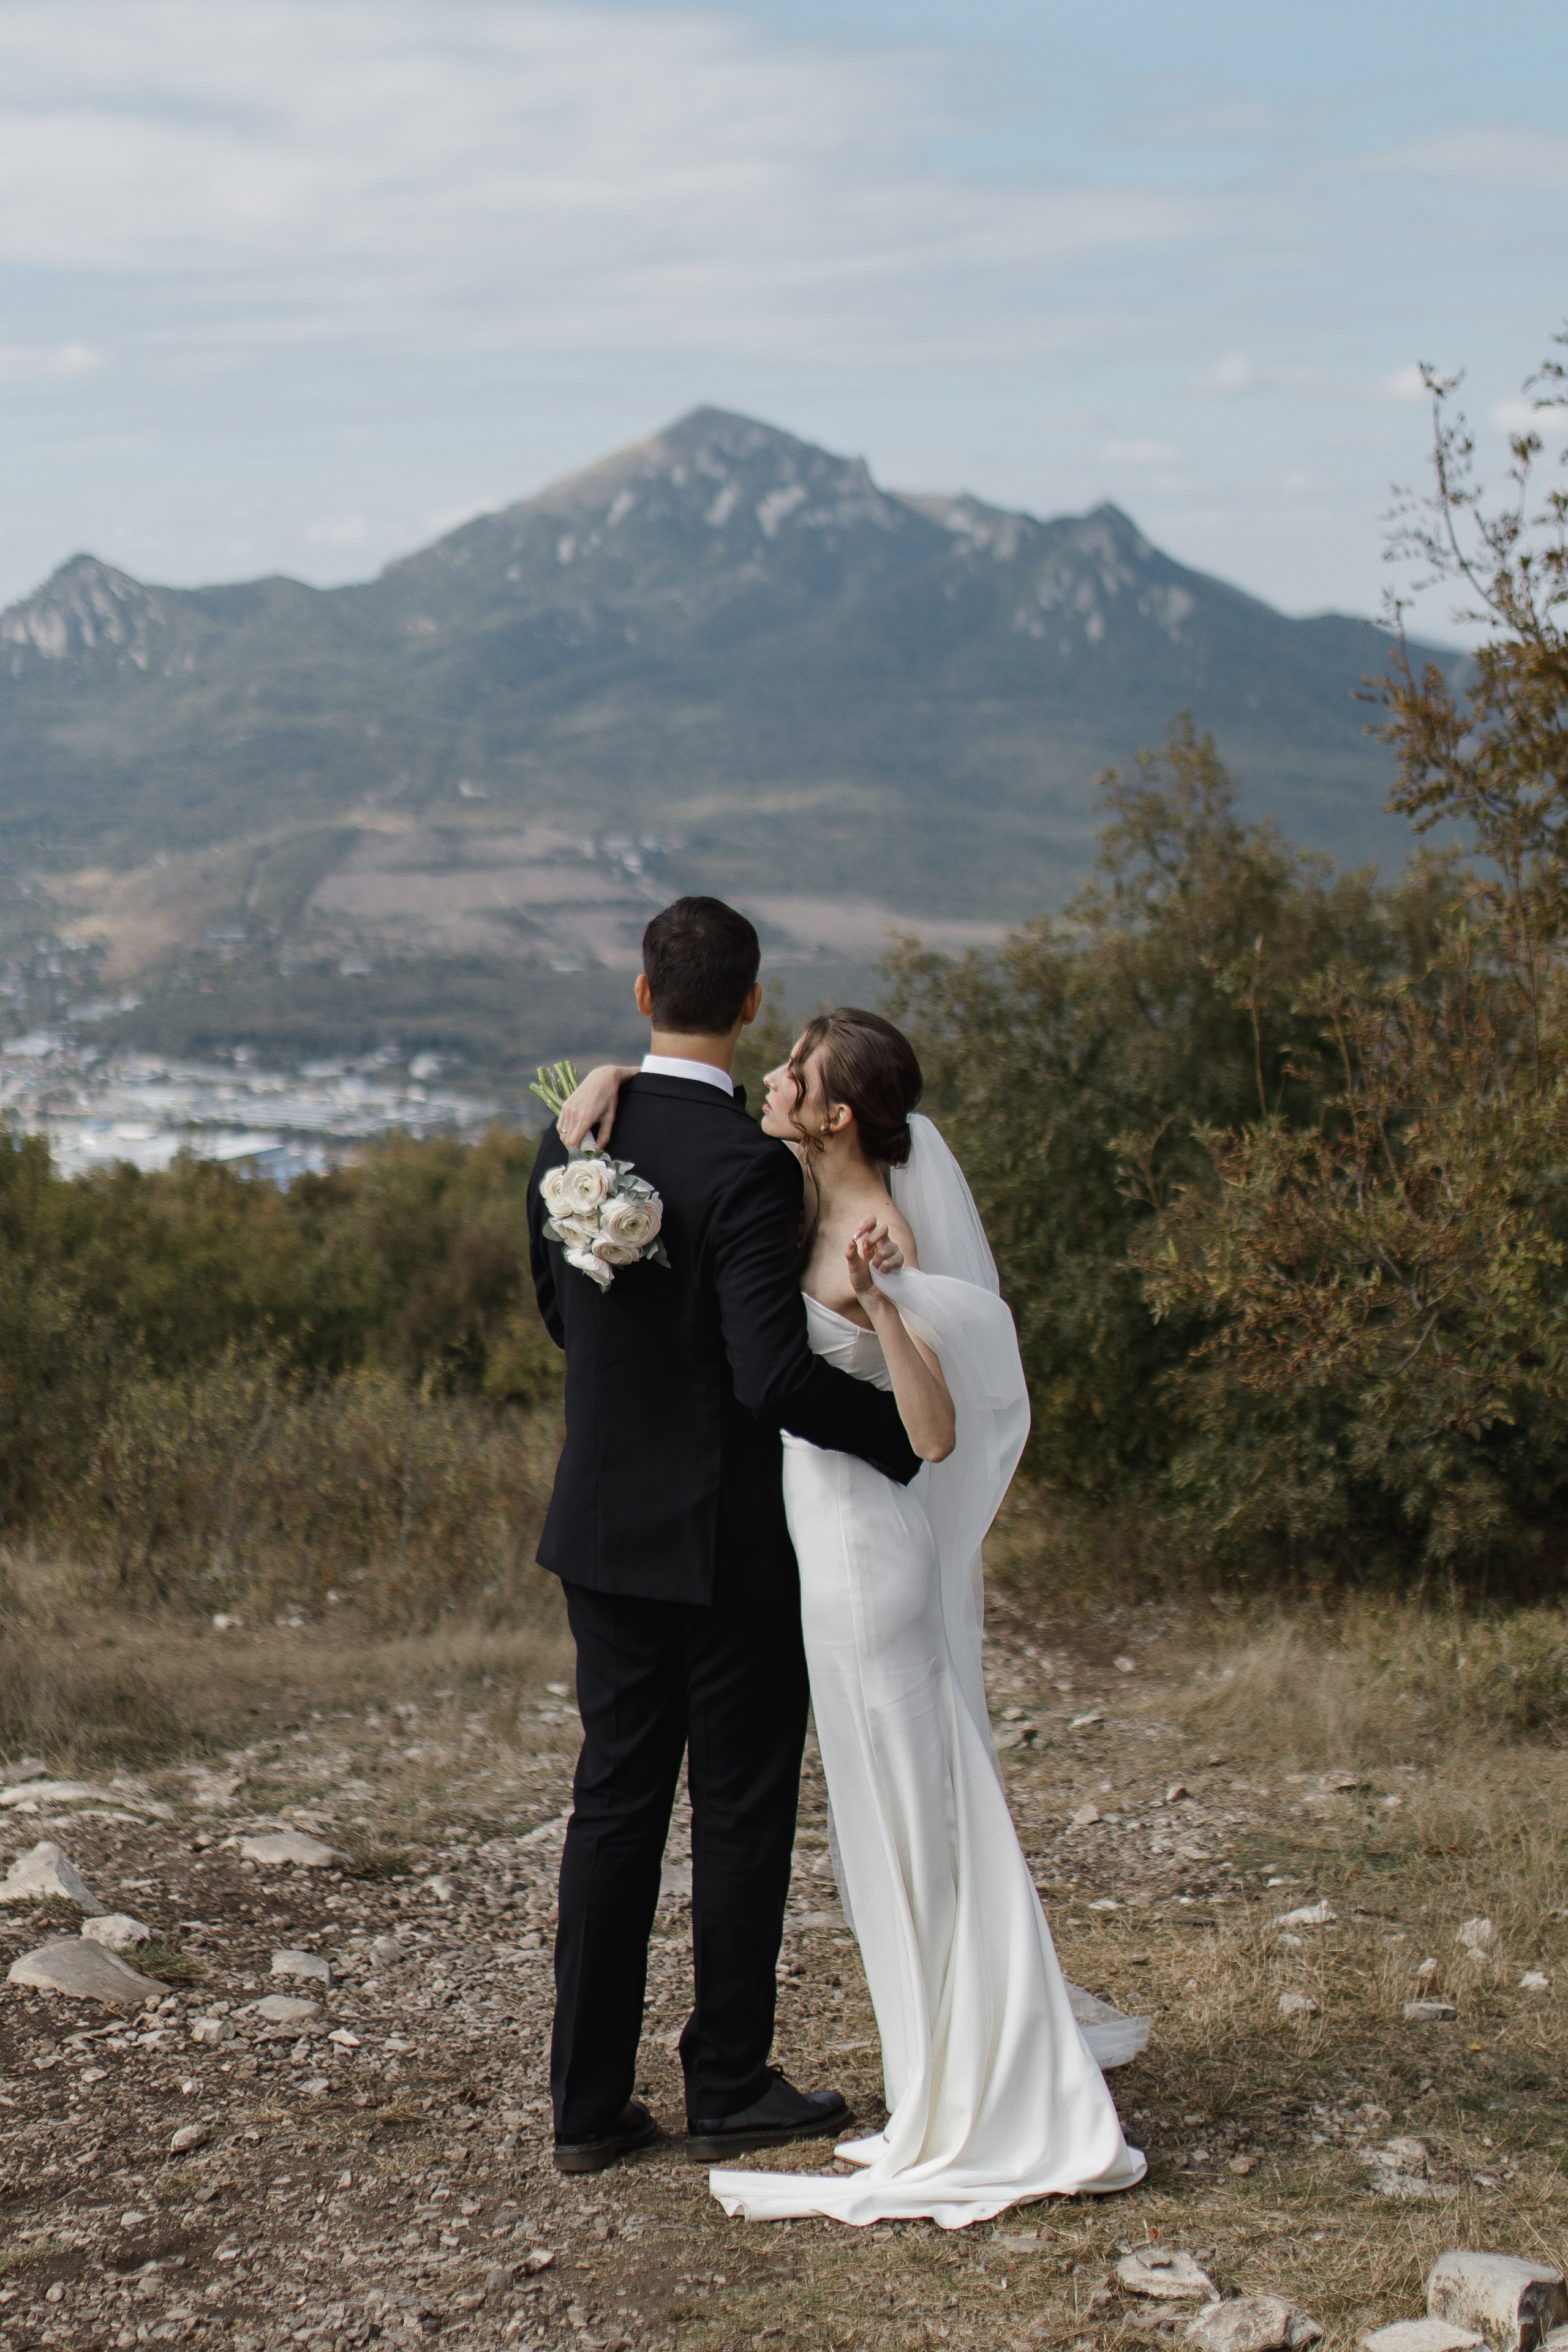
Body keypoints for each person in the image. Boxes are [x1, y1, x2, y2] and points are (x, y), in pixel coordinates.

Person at [559, 1004, 1146, 2226]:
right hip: (799, 1556)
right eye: (774, 1061)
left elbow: (926, 1431)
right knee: (849, 1823)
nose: (771, 1084)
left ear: (833, 1112)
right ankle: (888, 2073)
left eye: (794, 1077)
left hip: (855, 1557)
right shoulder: (773, 1178)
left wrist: (883, 1328)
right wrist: (614, 1071)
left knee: (901, 1813)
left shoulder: (863, 1223)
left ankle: (968, 2086)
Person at [526, 897, 927, 2177]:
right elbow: (767, 1376)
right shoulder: (750, 1167)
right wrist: (900, 1439)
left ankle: (586, 2109)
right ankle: (727, 2084)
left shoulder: (574, 1134)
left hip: (599, 1527)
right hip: (727, 1545)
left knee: (612, 1811)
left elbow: (560, 1311)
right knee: (740, 1812)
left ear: (641, 996)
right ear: (751, 1007)